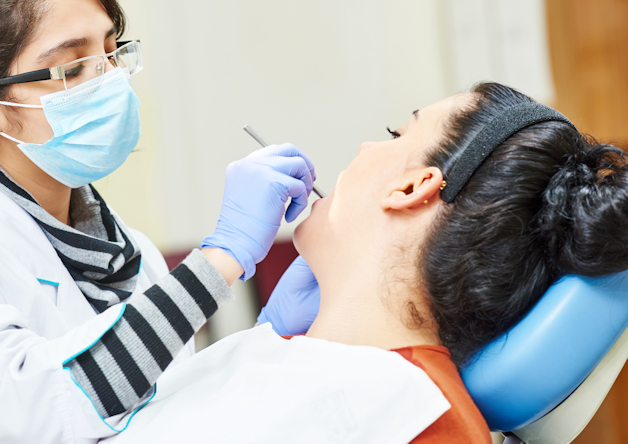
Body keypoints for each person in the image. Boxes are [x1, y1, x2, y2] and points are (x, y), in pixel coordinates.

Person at [0, 0, 318, 443]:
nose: (110, 83)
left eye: (112, 53)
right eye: (71, 68)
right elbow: (37, 413)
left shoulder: (129, 253)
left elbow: (169, 414)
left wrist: (269, 337)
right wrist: (221, 259)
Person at [103, 83, 628, 443]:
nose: (365, 146)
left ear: (413, 187)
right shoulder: (294, 363)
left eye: (397, 135)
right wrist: (263, 338)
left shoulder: (413, 418)